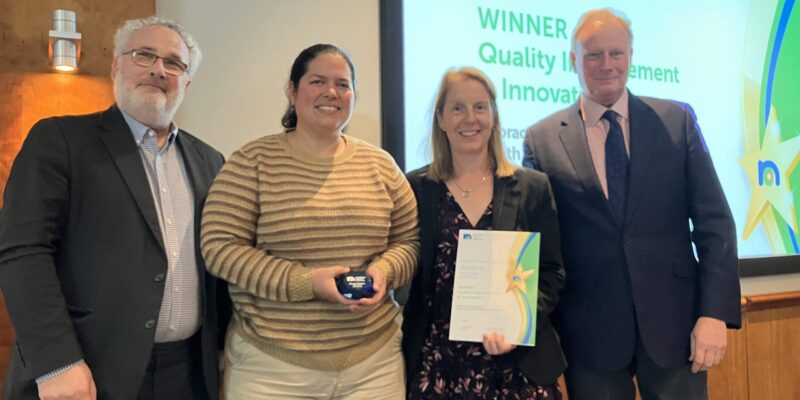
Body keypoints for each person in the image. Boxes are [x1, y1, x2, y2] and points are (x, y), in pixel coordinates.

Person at [0, 16, 229, 400]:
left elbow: (220, 259)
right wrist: (57, 363)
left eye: (174, 63)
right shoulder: (60, 140)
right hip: (86, 371)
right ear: (116, 66)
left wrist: (222, 348)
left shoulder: (211, 160)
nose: (159, 69)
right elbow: (22, 252)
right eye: (144, 55)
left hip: (187, 375)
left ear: (186, 83)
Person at [522, 8, 741, 400]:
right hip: (589, 337)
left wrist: (713, 313)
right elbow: (538, 243)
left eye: (616, 53)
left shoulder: (677, 121)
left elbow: (715, 224)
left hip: (676, 327)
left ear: (631, 55)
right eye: (594, 54)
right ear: (573, 60)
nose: (606, 64)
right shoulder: (542, 140)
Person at [200, 43, 419, 399]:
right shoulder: (251, 161)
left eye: (343, 84)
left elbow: (409, 241)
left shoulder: (381, 165)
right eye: (317, 81)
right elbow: (219, 248)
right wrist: (308, 283)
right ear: (292, 90)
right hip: (271, 369)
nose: (331, 92)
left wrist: (385, 271)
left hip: (373, 365)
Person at [402, 67, 566, 399]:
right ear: (440, 119)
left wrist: (517, 326)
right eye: (457, 108)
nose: (470, 119)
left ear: (493, 115)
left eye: (480, 107)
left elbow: (551, 272)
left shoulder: (532, 187)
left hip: (516, 365)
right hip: (439, 366)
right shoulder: (415, 188)